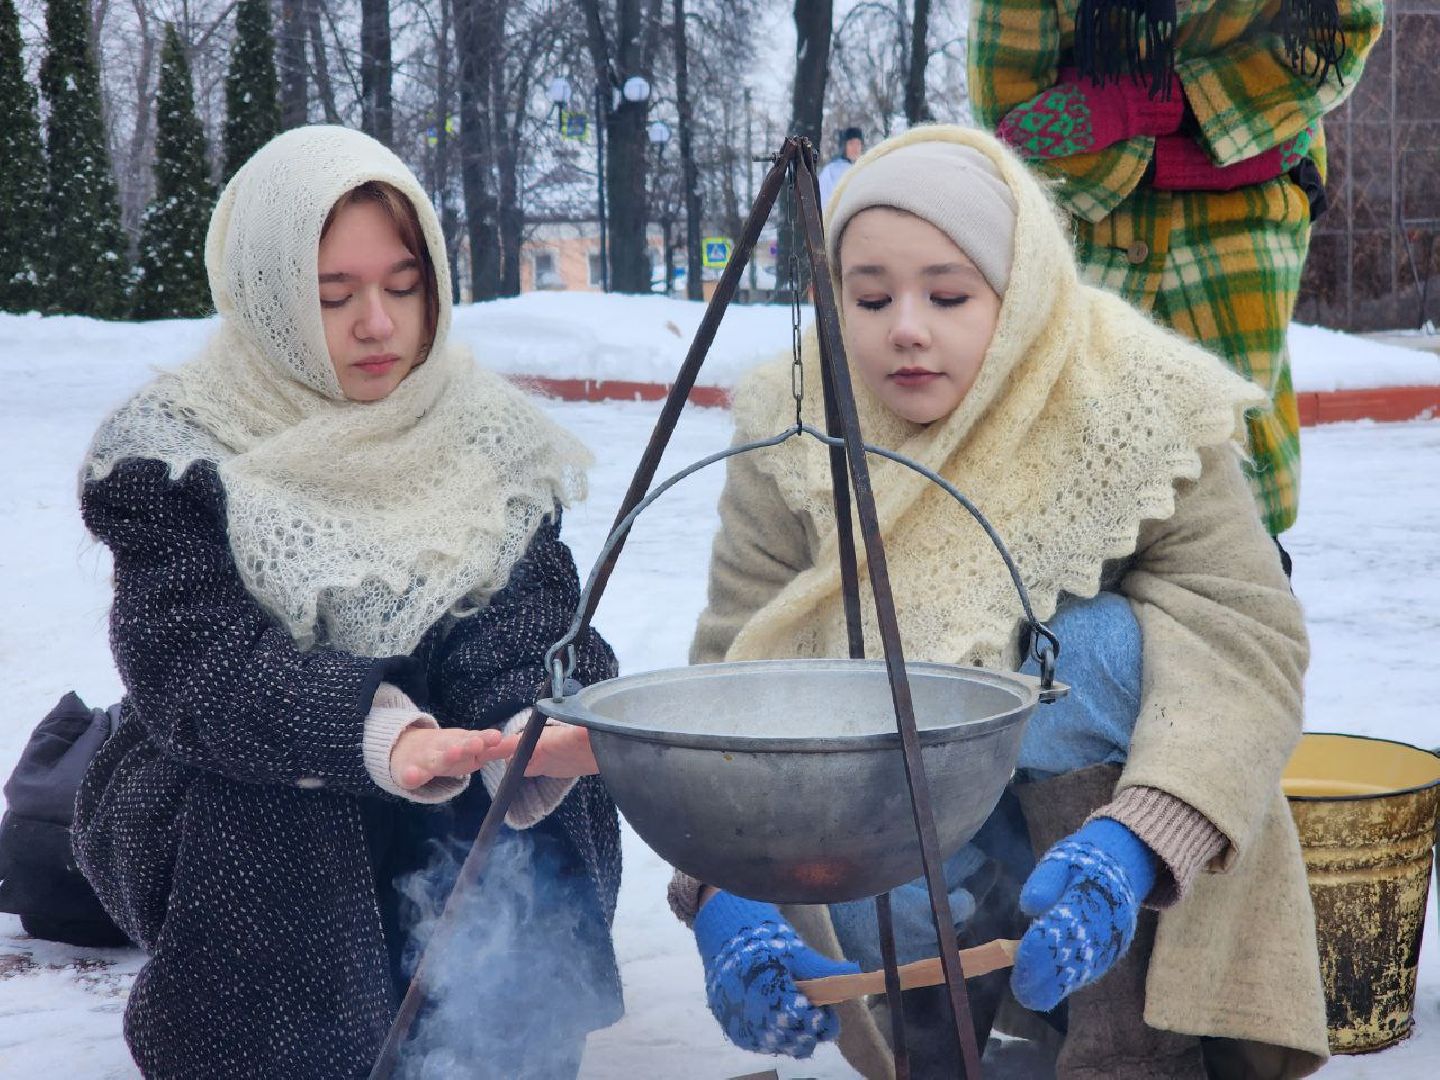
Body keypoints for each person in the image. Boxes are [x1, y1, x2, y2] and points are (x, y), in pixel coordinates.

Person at [658, 126, 1327, 1079]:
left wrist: (1140, 842)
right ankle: (946, 1038)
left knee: (1080, 650)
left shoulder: (1129, 399)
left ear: (1016, 297)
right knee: (852, 711)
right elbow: (731, 676)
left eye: (949, 293)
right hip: (909, 824)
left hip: (1114, 827)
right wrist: (726, 892)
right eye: (871, 295)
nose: (907, 328)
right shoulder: (793, 422)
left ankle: (1134, 1044)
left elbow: (1245, 636)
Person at [71, 125, 623, 1079]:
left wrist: (529, 726)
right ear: (268, 298)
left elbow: (530, 620)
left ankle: (509, 1036)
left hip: (450, 775)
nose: (378, 324)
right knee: (287, 797)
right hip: (225, 780)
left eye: (403, 286)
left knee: (537, 756)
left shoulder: (484, 436)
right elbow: (200, 664)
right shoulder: (171, 455)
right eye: (332, 296)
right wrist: (376, 737)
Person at [970, 0, 1385, 545]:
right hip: (1093, 236)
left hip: (1242, 244)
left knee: (1234, 507)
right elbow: (1012, 116)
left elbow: (1339, 37)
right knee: (1076, 503)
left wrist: (1147, 106)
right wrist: (1220, 148)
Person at [818, 125, 865, 207]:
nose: (855, 148)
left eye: (858, 143)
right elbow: (823, 200)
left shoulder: (863, 170)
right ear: (843, 146)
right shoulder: (831, 171)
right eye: (851, 143)